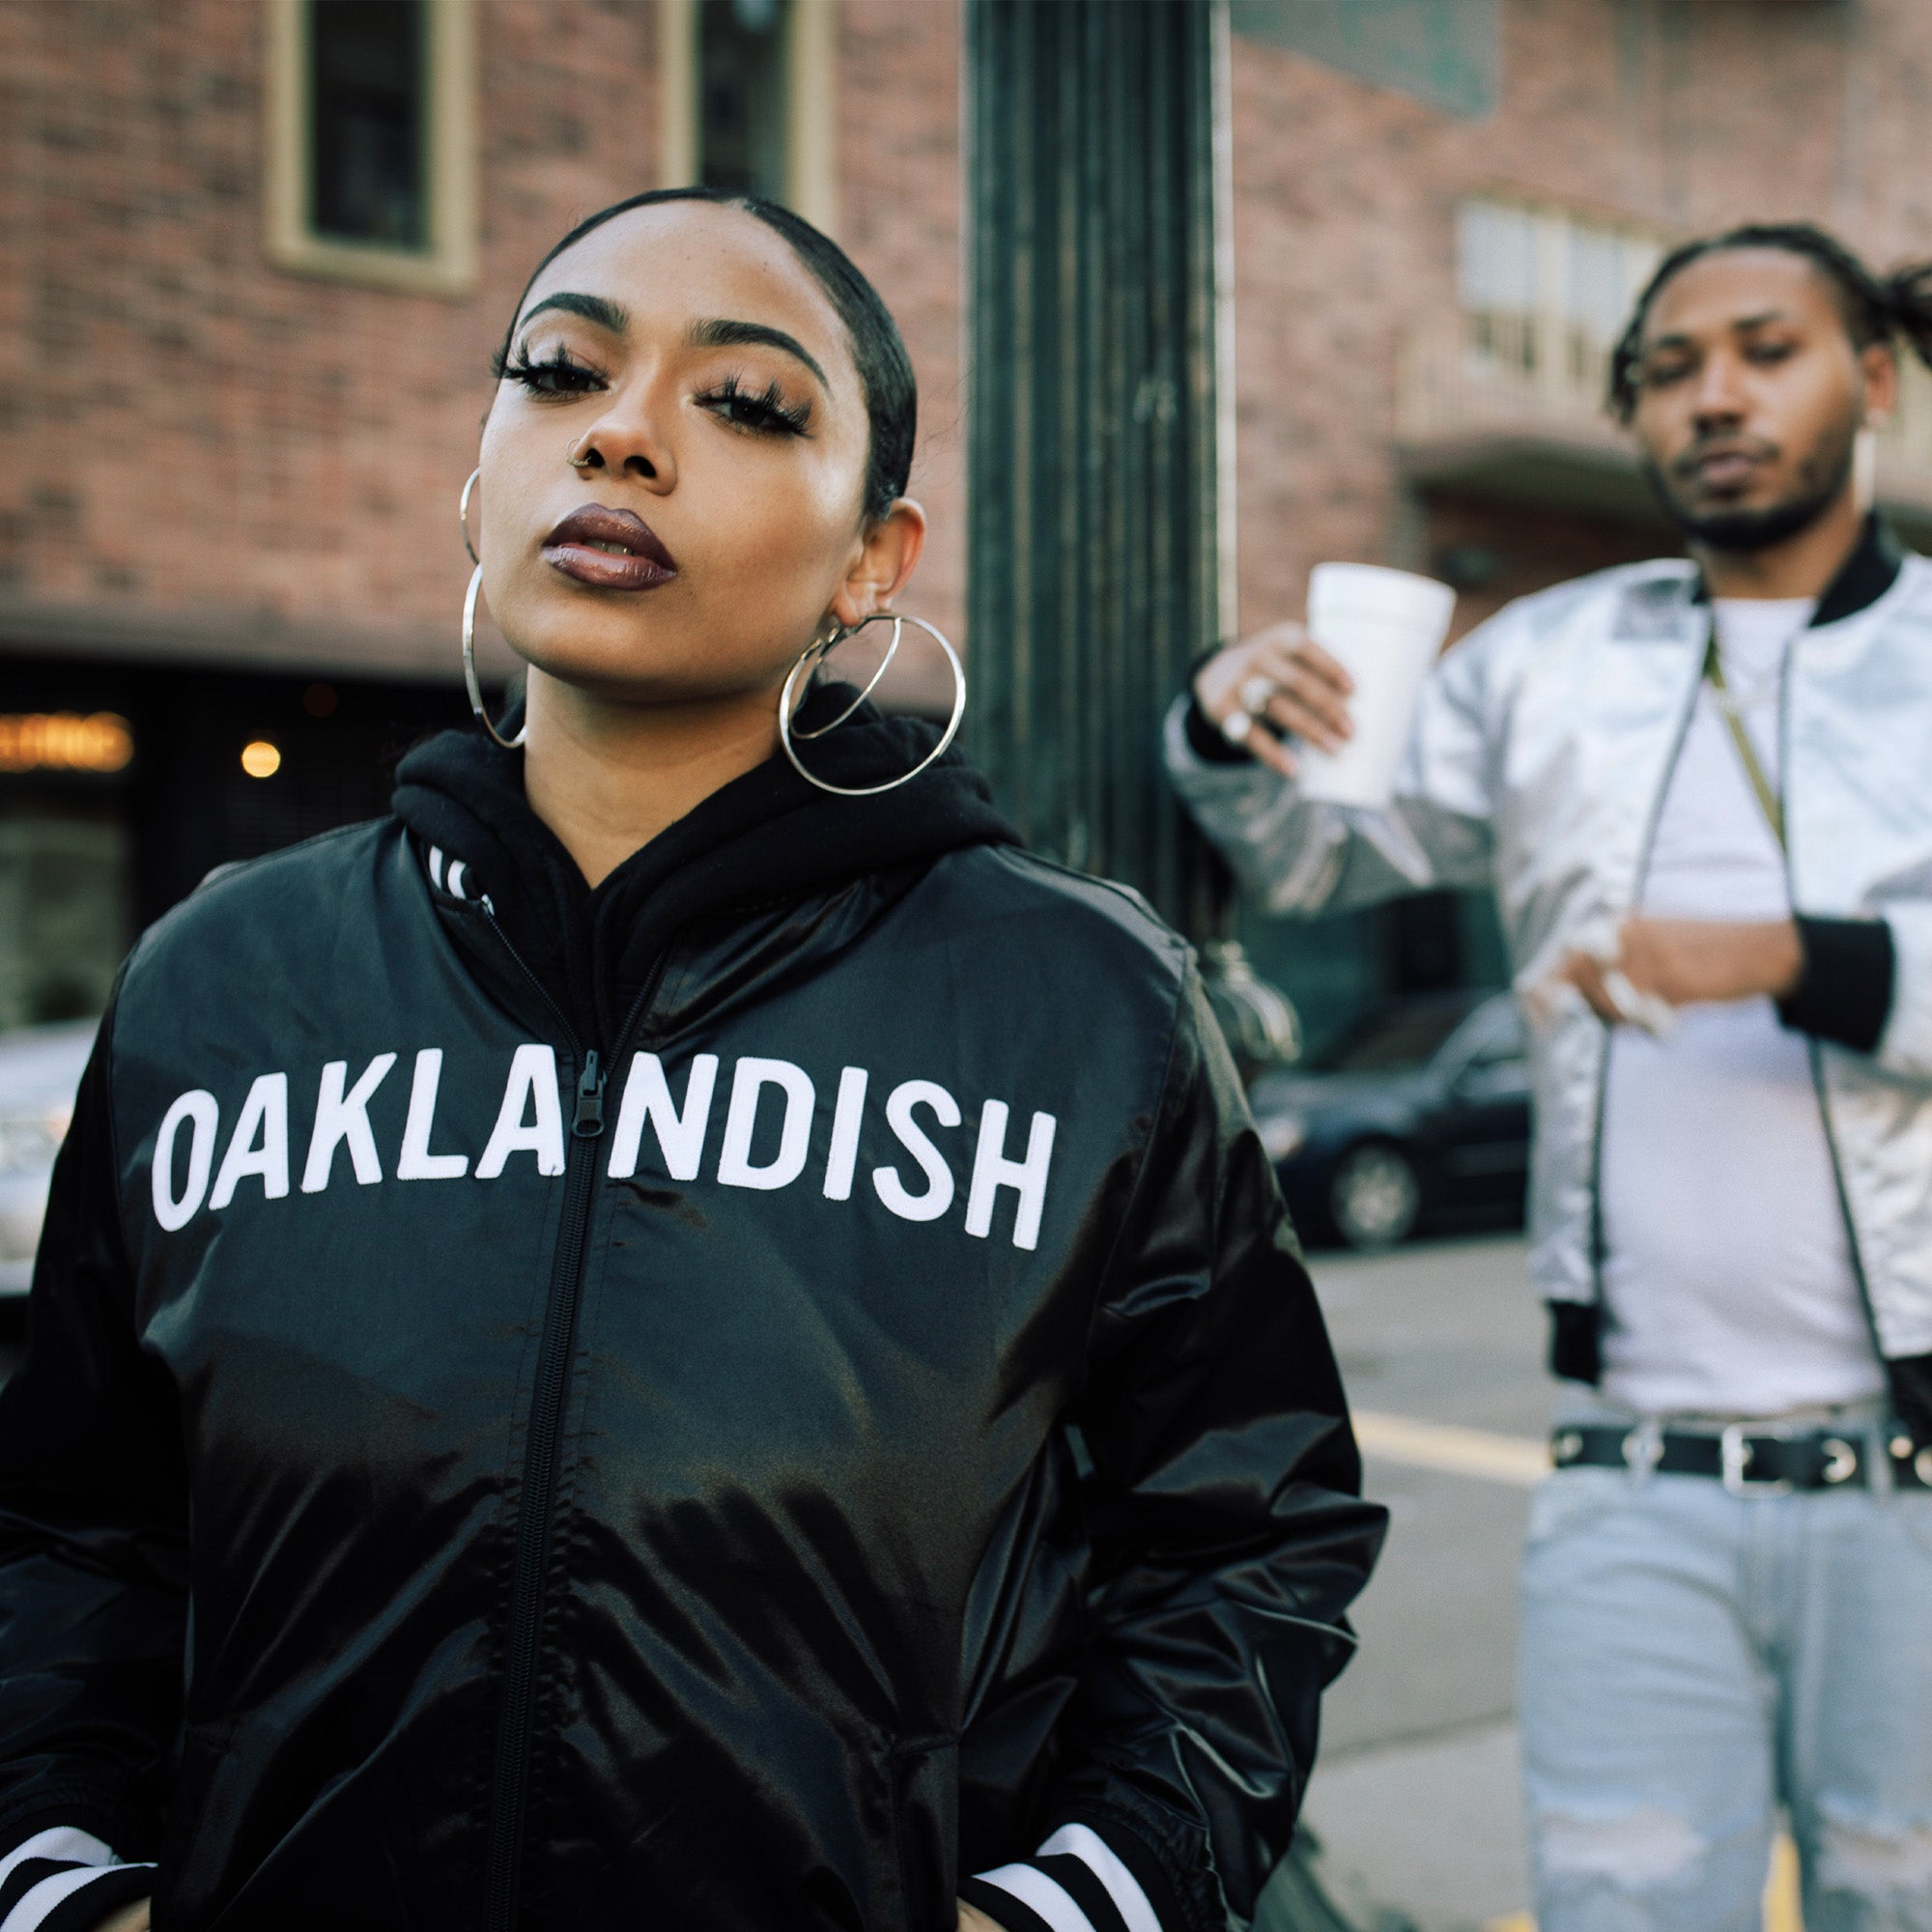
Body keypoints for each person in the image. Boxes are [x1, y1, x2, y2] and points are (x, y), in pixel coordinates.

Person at [0, 187, 1382, 1932]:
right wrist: (64, 1883)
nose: (627, 434)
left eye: (746, 403)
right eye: (559, 369)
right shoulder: (222, 980)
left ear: (875, 558)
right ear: (481, 472)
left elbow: (1242, 1540)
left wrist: (1077, 1905)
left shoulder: (1081, 1004)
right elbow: (70, 1530)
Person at [1168, 222, 1932, 1931]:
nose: (1713, 398)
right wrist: (1230, 728)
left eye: (1763, 349)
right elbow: (1314, 854)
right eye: (1669, 371)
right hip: (1626, 1481)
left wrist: (1788, 955)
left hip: (1913, 1483)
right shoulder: (1547, 662)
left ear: (1871, 378)